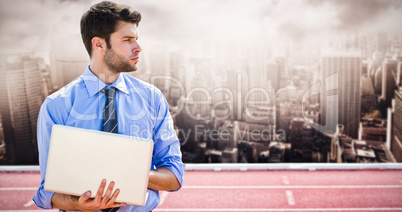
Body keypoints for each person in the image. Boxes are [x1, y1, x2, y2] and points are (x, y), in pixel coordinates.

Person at [33, 1, 185, 211]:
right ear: (99, 45)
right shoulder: (56, 105)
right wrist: (78, 205)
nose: (138, 47)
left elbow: (175, 176)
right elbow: (47, 192)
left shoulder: (152, 99)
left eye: (136, 39)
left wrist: (131, 175)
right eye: (128, 39)